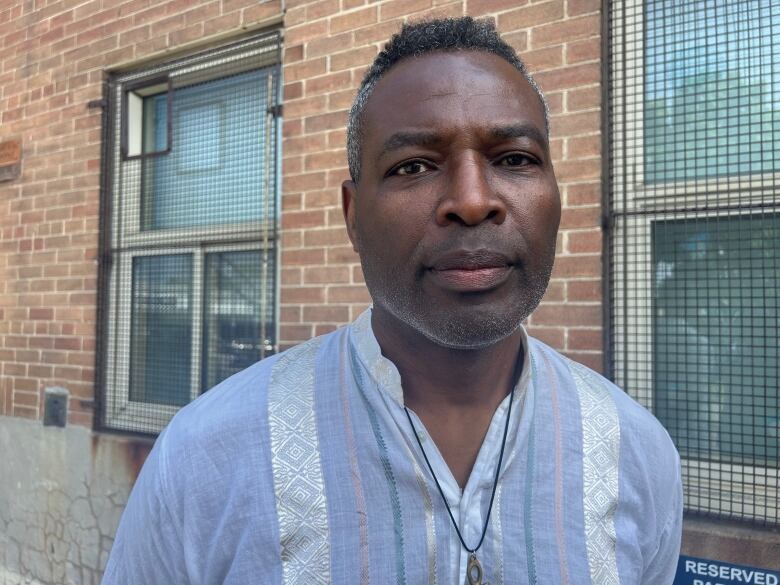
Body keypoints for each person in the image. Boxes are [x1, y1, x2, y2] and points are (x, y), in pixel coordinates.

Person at [103, 17, 682, 585]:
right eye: (413, 166)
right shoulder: (207, 456)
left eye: (514, 159)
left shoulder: (637, 453)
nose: (473, 201)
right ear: (353, 215)